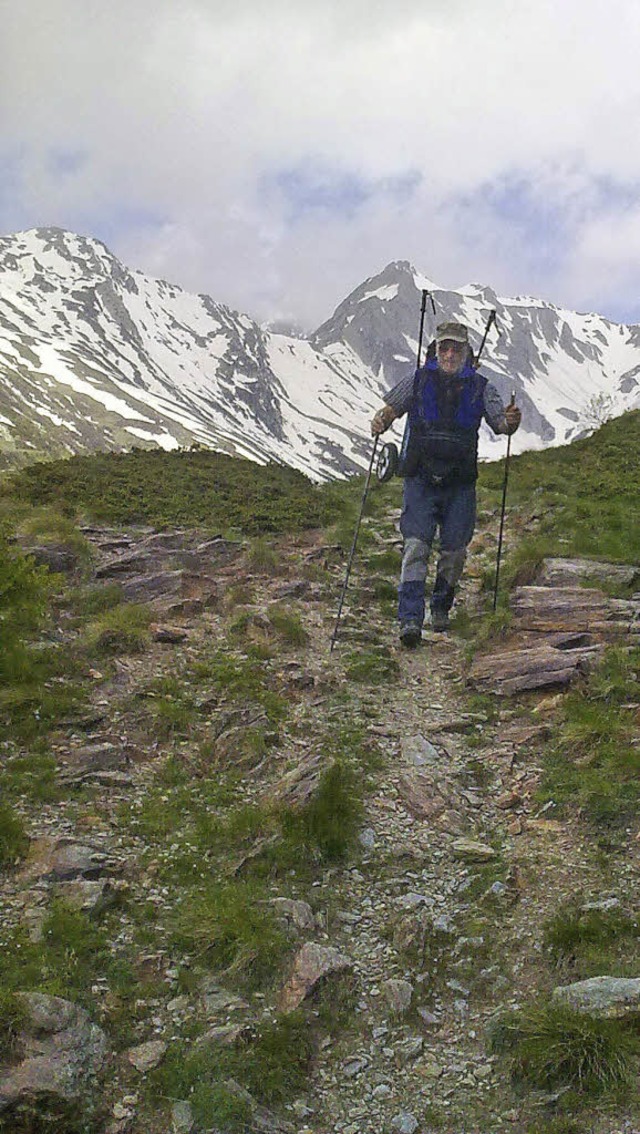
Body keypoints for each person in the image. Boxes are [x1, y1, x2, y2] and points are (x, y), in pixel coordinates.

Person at [371, 320, 521, 647]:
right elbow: (390, 409)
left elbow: (501, 425)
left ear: (467, 353)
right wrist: (381, 420)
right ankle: (409, 619)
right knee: (416, 546)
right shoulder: (418, 379)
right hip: (420, 479)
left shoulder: (482, 388)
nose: (450, 353)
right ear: (436, 350)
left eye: (456, 348)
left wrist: (511, 422)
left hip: (460, 482)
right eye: (445, 347)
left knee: (454, 551)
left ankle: (440, 608)